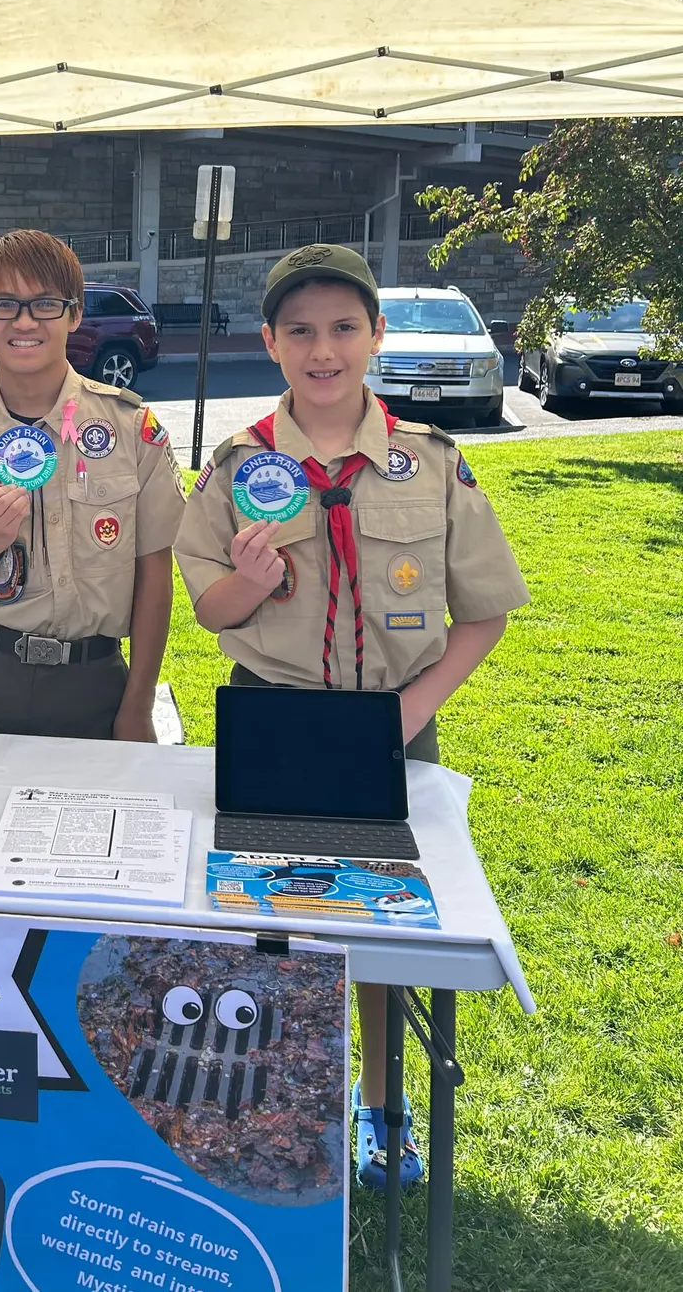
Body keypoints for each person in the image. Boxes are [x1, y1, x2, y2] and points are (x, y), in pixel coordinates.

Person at [174, 243, 529, 1190]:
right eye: (300, 331)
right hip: (274, 719)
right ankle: (280, 1095)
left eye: (342, 328)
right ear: (271, 342)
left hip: (393, 722)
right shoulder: (238, 464)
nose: (321, 349)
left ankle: (380, 1103)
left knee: (383, 927)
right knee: (266, 919)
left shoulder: (431, 462)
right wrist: (244, 586)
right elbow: (207, 608)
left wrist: (407, 710)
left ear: (375, 335)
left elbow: (484, 611)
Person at [0, 230, 185, 740]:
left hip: (95, 680)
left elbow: (154, 578)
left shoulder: (130, 430)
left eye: (46, 304)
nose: (26, 321)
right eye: (5, 305)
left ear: (75, 315)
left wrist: (137, 706)